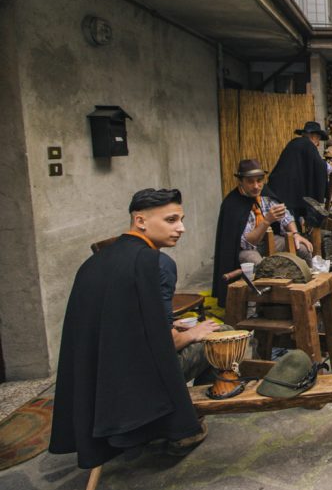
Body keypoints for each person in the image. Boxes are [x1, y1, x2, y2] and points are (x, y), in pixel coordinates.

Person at [51, 189, 215, 468]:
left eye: (181, 219)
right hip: (139, 383)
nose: (181, 228)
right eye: (171, 220)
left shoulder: (94, 262)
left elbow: (120, 322)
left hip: (99, 382)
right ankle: (183, 429)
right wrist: (193, 334)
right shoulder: (157, 263)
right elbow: (161, 343)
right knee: (213, 342)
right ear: (140, 221)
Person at [212, 159, 314, 304]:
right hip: (245, 249)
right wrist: (266, 221)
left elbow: (285, 215)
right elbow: (248, 242)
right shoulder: (232, 204)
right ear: (240, 181)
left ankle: (308, 295)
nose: (256, 186)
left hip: (269, 241)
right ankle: (266, 306)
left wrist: (296, 234)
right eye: (250, 182)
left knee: (303, 249)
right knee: (260, 265)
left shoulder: (265, 194)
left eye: (259, 181)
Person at [267, 121, 332, 226]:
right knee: (289, 224)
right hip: (287, 192)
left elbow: (306, 169)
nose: (318, 143)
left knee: (286, 222)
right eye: (318, 139)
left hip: (280, 190)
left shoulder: (294, 143)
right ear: (313, 136)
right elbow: (318, 167)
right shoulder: (307, 145)